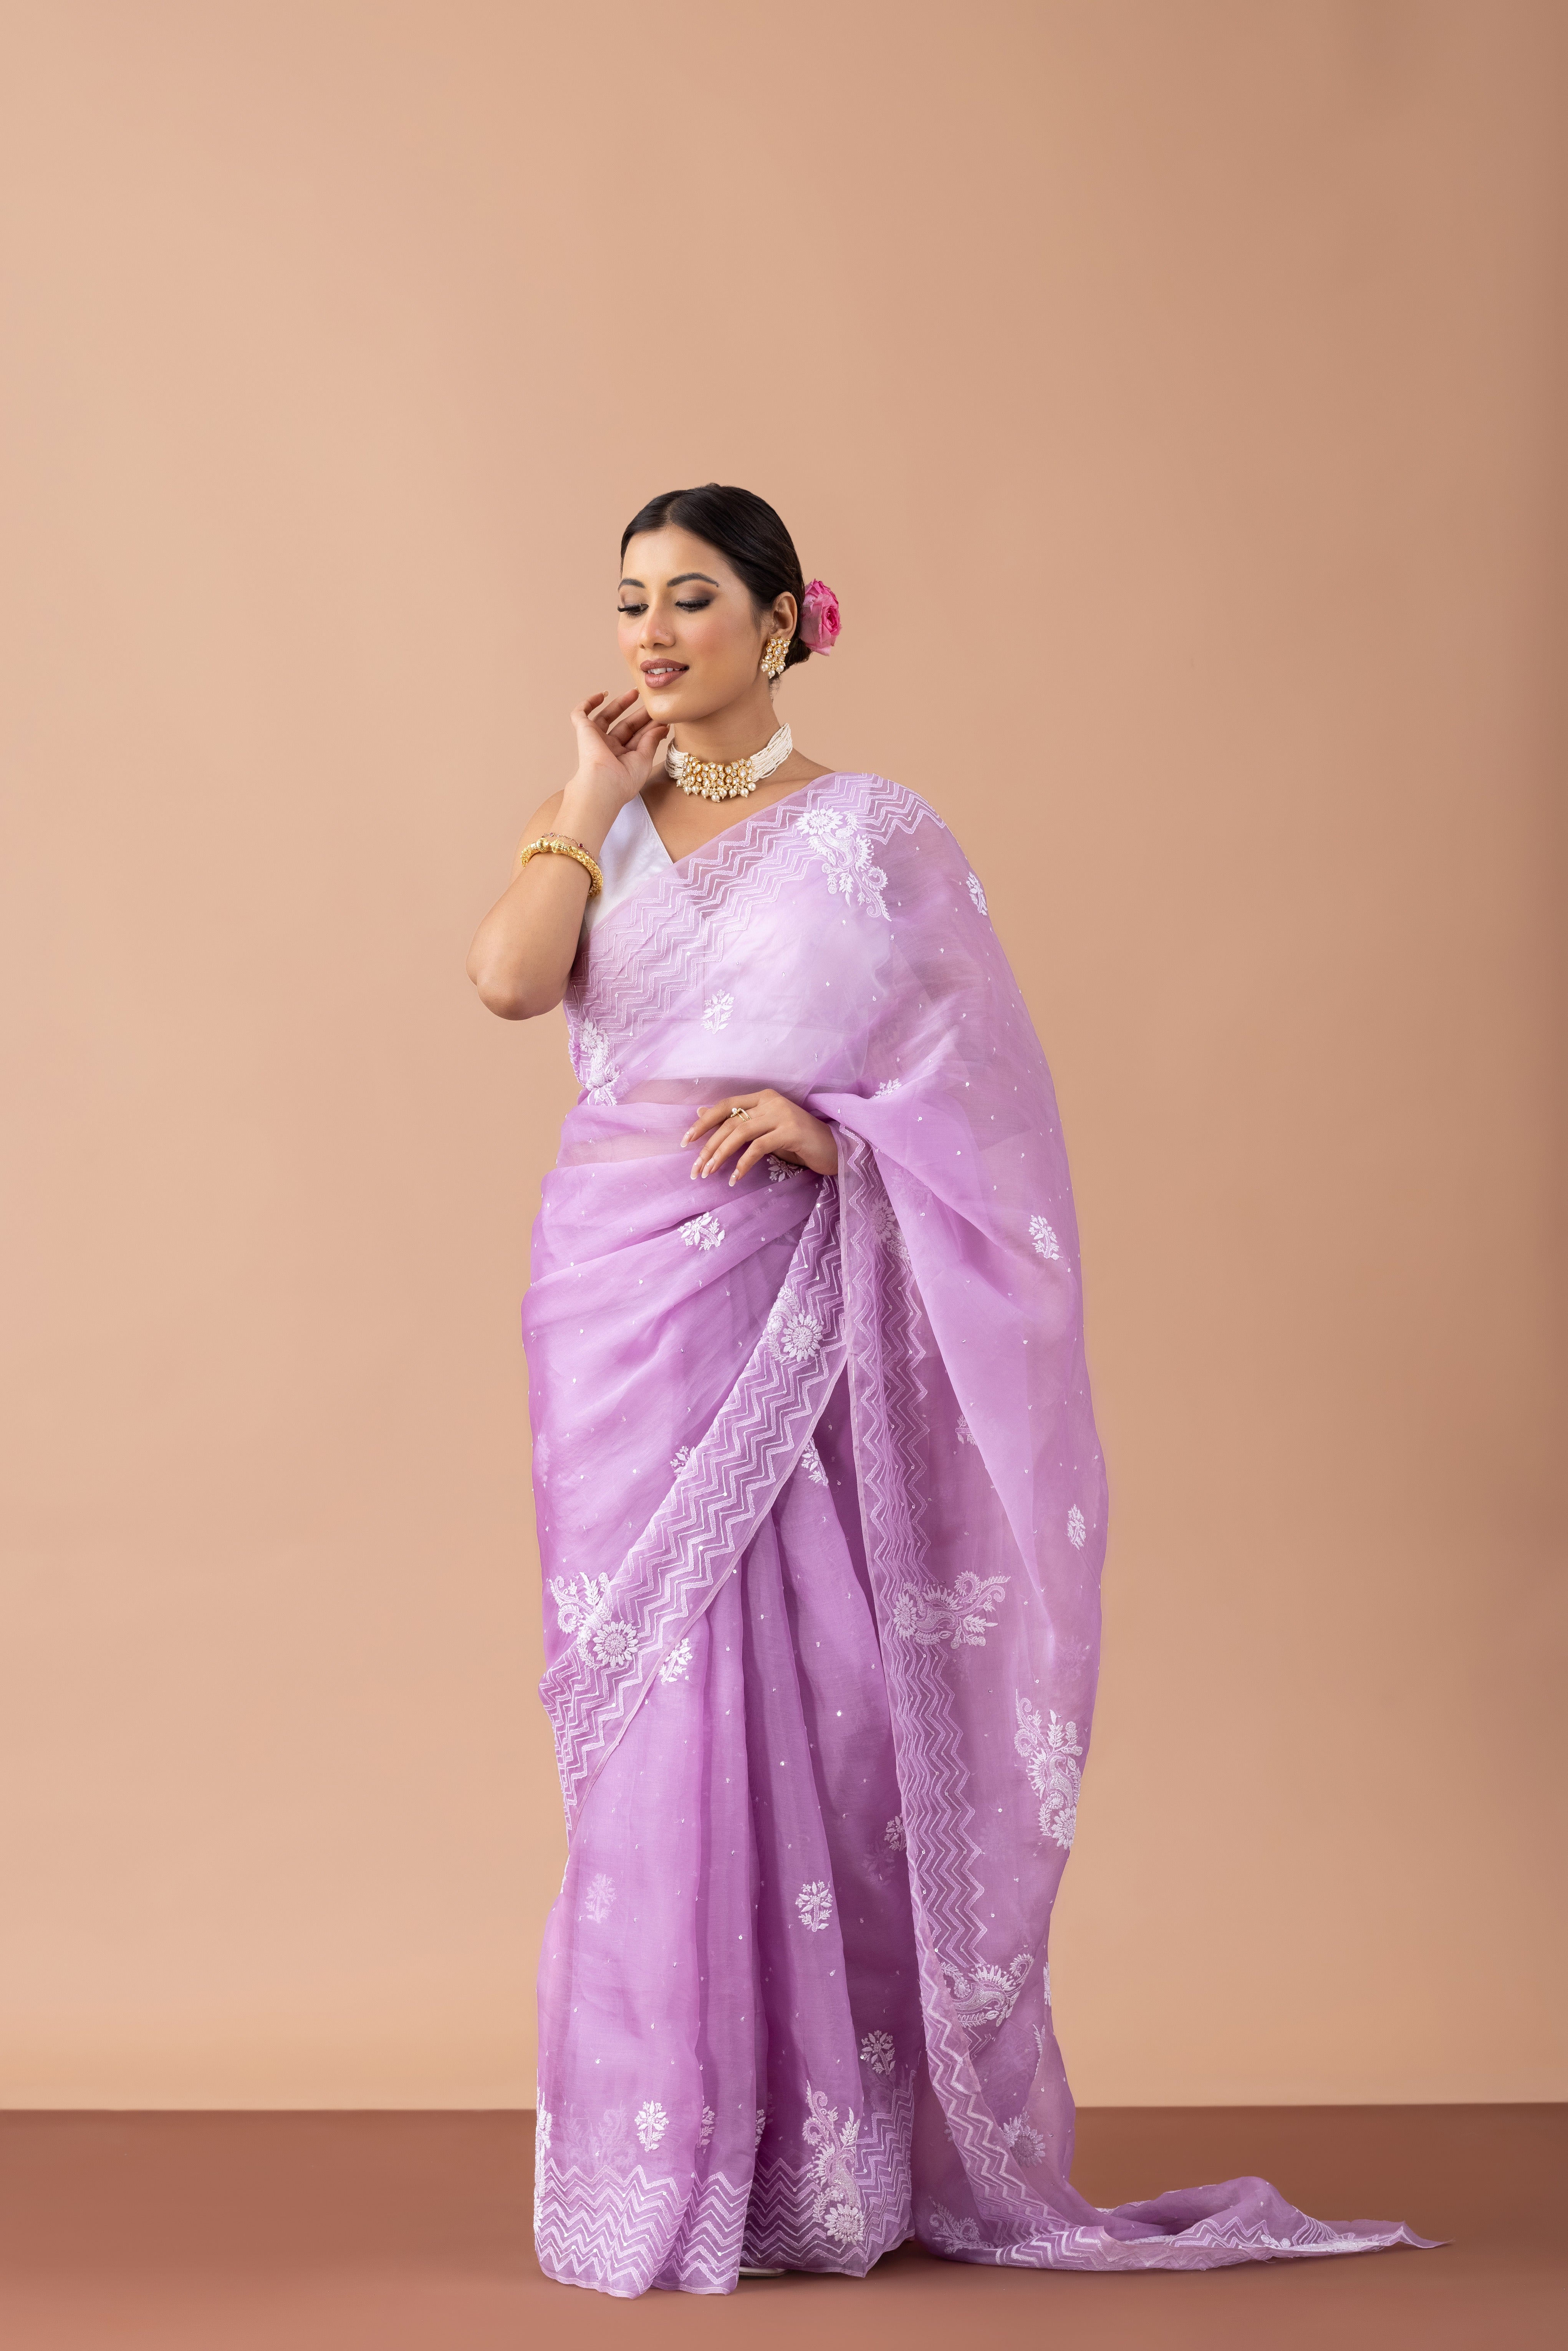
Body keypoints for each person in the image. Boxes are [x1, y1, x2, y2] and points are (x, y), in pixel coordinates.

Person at [466, 484, 1430, 2296]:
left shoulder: (873, 835)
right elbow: (509, 981)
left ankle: (820, 2163)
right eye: (628, 604)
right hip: (613, 1302)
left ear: (780, 621)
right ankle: (668, 2150)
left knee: (814, 1697)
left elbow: (983, 1104)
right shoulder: (592, 818)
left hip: (786, 1298)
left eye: (692, 599)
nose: (654, 634)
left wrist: (834, 1136)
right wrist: (589, 807)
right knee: (646, 1714)